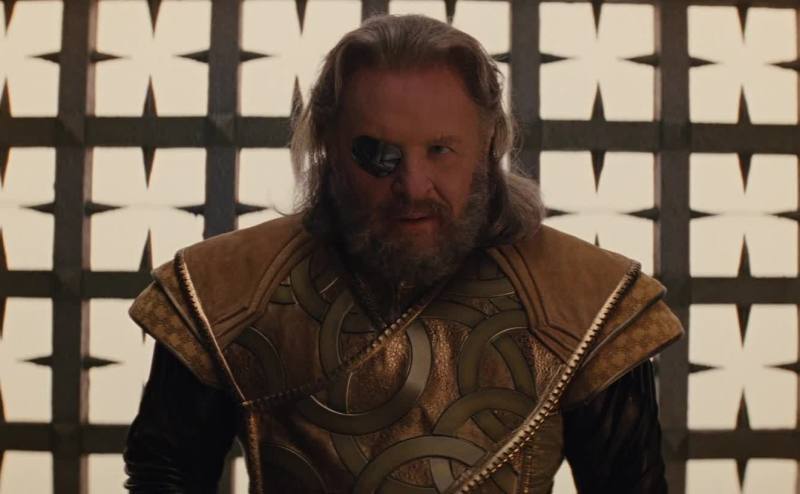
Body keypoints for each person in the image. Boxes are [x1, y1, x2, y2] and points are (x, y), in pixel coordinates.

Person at [123, 14, 683, 494]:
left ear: (489, 142)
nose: (413, 187)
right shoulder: (225, 291)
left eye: (440, 150)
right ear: (328, 145)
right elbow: (165, 476)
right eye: (379, 153)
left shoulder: (586, 302)